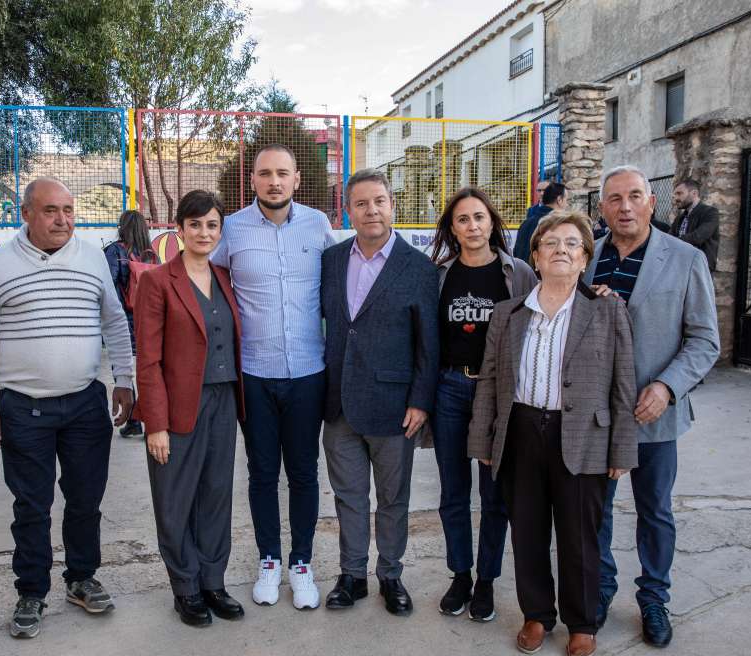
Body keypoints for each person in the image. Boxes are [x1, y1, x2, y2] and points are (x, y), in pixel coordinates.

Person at [468, 209, 638, 656]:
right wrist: (483, 441)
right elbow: (488, 379)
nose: (561, 250)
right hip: (522, 430)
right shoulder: (508, 314)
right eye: (551, 244)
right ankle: (537, 614)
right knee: (527, 530)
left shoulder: (607, 310)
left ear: (584, 259)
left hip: (582, 434)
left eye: (571, 244)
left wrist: (622, 446)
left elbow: (624, 383)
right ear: (536, 258)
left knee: (580, 534)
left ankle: (582, 623)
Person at [0, 178, 133, 640]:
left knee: (85, 500)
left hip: (84, 404)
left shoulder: (91, 258)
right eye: (50, 211)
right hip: (23, 409)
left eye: (68, 210)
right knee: (31, 507)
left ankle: (81, 578)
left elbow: (115, 321)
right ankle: (32, 592)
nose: (63, 220)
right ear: (26, 213)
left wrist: (124, 379)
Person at [589, 165, 720, 648]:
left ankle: (654, 598)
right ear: (602, 208)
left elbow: (705, 341)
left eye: (635, 197)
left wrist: (667, 386)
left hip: (654, 414)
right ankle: (600, 590)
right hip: (596, 415)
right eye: (615, 199)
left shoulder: (685, 260)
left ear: (652, 203)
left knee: (654, 511)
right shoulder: (586, 257)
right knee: (594, 511)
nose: (625, 207)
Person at [211, 143, 337, 610]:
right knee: (262, 472)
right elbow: (205, 279)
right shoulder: (233, 230)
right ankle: (269, 557)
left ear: (297, 179)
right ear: (253, 181)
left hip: (308, 372)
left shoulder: (318, 226)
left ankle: (300, 562)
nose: (274, 181)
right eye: (265, 173)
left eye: (282, 173)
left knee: (304, 472)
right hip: (255, 374)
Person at [320, 169, 438, 615]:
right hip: (339, 404)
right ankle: (352, 576)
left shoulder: (418, 267)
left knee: (393, 499)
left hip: (394, 408)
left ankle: (391, 575)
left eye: (380, 201)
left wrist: (420, 400)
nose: (372, 210)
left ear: (392, 205)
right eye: (361, 203)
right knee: (349, 497)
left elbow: (428, 342)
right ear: (347, 210)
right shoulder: (331, 261)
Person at [422, 187, 537, 621]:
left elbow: (549, 312)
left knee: (495, 494)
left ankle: (487, 579)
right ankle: (460, 575)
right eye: (463, 219)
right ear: (452, 228)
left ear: (493, 222)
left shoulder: (519, 273)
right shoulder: (439, 275)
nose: (472, 226)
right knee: (453, 492)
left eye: (479, 217)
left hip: (497, 393)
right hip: (450, 389)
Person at [133, 189, 246, 627]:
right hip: (179, 406)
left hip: (222, 400)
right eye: (195, 224)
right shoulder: (158, 281)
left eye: (212, 224)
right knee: (176, 499)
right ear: (179, 229)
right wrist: (155, 424)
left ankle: (213, 581)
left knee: (216, 494)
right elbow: (148, 358)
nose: (204, 232)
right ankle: (185, 586)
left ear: (220, 230)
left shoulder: (224, 277)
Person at [104, 209, 152, 439]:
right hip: (149, 321)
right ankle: (148, 418)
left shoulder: (115, 252)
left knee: (124, 371)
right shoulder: (151, 255)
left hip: (123, 322)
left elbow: (108, 289)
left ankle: (132, 418)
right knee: (149, 371)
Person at [670, 179, 720, 272]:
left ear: (694, 193)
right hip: (680, 267)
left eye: (679, 193)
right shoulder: (679, 218)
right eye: (675, 194)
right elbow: (668, 238)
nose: (676, 198)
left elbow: (698, 237)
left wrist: (674, 241)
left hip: (700, 268)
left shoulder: (710, 212)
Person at [513, 182, 567, 263]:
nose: (567, 204)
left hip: (522, 272)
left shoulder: (525, 223)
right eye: (566, 199)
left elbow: (516, 252)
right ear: (559, 200)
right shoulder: (557, 224)